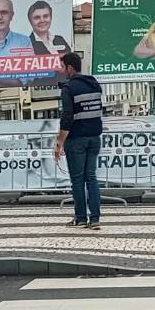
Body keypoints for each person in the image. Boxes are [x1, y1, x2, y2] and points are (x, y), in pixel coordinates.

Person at [53, 51, 104, 229]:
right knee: (91, 178)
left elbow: (67, 117)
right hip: (95, 137)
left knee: (77, 180)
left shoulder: (69, 89)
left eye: (62, 67)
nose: (61, 71)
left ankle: (81, 218)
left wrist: (59, 143)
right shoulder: (94, 84)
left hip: (76, 140)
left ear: (70, 68)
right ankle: (95, 218)